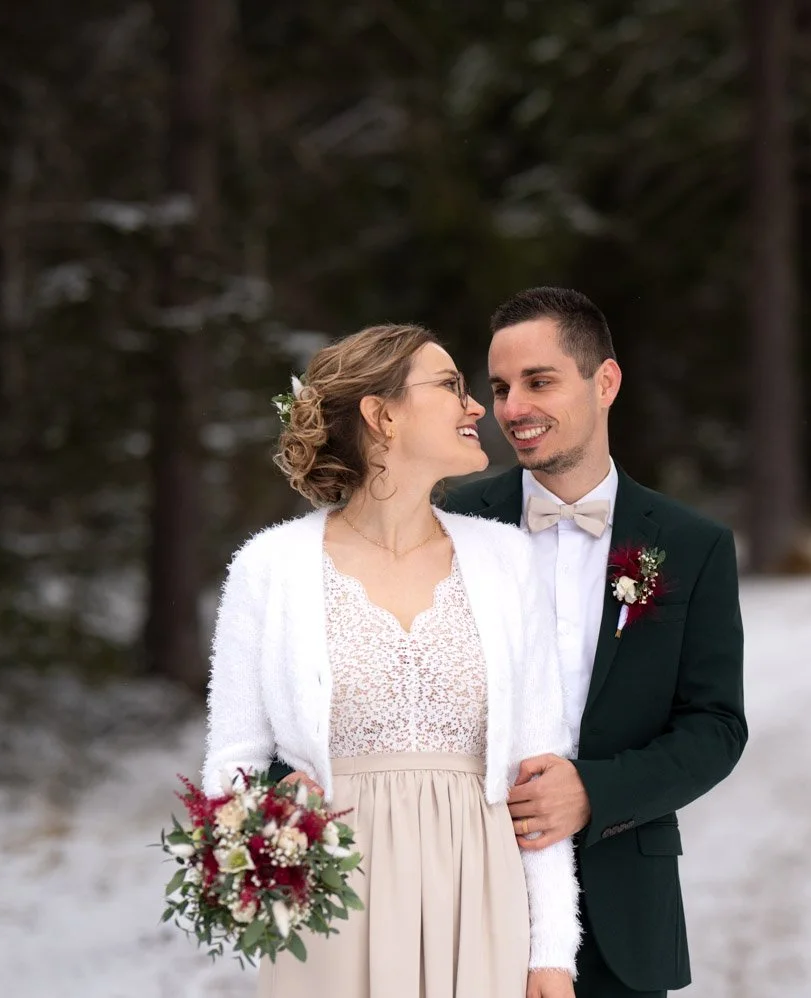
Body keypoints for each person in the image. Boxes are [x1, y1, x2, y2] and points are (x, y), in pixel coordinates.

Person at [200, 323, 579, 998]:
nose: (476, 406)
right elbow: (233, 761)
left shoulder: (507, 560)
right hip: (330, 898)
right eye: (451, 386)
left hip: (480, 894)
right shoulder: (269, 567)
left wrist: (552, 950)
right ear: (382, 415)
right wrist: (262, 831)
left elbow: (537, 767)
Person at [439, 288, 748, 998]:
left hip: (622, 912)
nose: (513, 408)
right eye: (501, 388)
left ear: (604, 382)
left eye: (539, 381)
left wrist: (593, 792)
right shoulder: (451, 523)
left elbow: (716, 727)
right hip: (466, 896)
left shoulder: (691, 545)